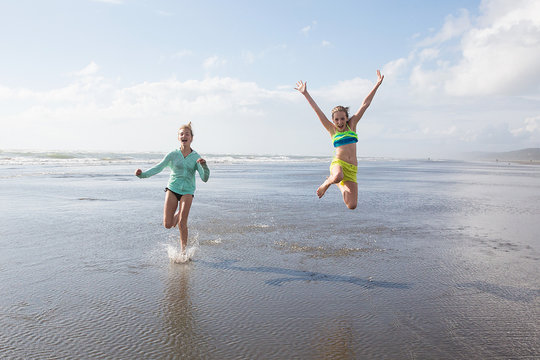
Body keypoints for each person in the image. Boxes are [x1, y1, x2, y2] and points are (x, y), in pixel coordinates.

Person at [295, 70, 384, 209]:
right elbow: (317, 111)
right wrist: (305, 93)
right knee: (337, 176)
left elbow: (365, 104)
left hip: (352, 168)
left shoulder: (352, 125)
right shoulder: (332, 130)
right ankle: (327, 183)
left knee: (352, 205)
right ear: (333, 120)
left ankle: (339, 185)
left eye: (342, 118)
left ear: (346, 117)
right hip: (338, 164)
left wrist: (377, 84)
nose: (340, 122)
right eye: (337, 119)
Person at [135, 122, 210, 253]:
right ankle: (179, 212)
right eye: (181, 134)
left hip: (188, 191)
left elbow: (205, 178)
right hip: (172, 189)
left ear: (191, 138)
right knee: (168, 224)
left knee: (182, 222)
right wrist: (142, 175)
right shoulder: (172, 154)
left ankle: (183, 252)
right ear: (178, 138)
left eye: (187, 134)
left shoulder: (196, 157)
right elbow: (158, 167)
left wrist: (204, 166)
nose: (184, 136)